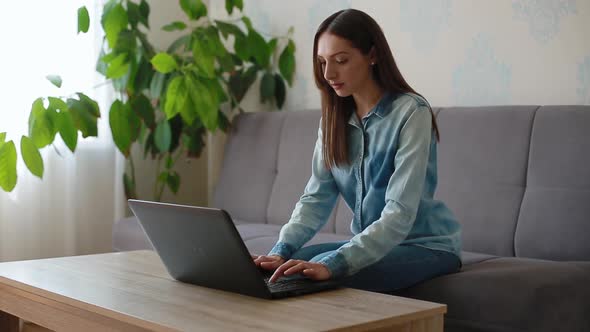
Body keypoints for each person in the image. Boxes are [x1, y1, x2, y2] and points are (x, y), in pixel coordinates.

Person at [252, 8, 462, 293]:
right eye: (322, 62)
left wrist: (334, 264)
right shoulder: (333, 121)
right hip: (373, 245)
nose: (328, 73)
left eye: (341, 60)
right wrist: (281, 249)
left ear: (372, 55)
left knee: (312, 275)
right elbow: (316, 198)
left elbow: (399, 213)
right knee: (282, 268)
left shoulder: (412, 113)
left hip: (425, 246)